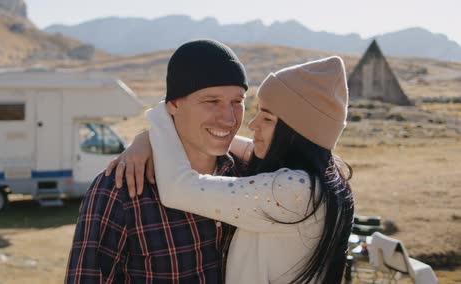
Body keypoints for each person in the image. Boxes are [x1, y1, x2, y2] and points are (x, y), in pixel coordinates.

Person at [107, 56, 355, 283]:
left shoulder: (293, 191)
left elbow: (178, 189)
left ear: (297, 135)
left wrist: (164, 113)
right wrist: (149, 137)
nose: (252, 124)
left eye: (267, 119)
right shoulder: (321, 181)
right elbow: (226, 142)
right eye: (257, 111)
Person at [65, 39, 250, 283]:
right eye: (211, 101)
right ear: (173, 104)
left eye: (237, 102)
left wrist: (148, 137)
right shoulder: (120, 188)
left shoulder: (247, 175)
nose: (228, 118)